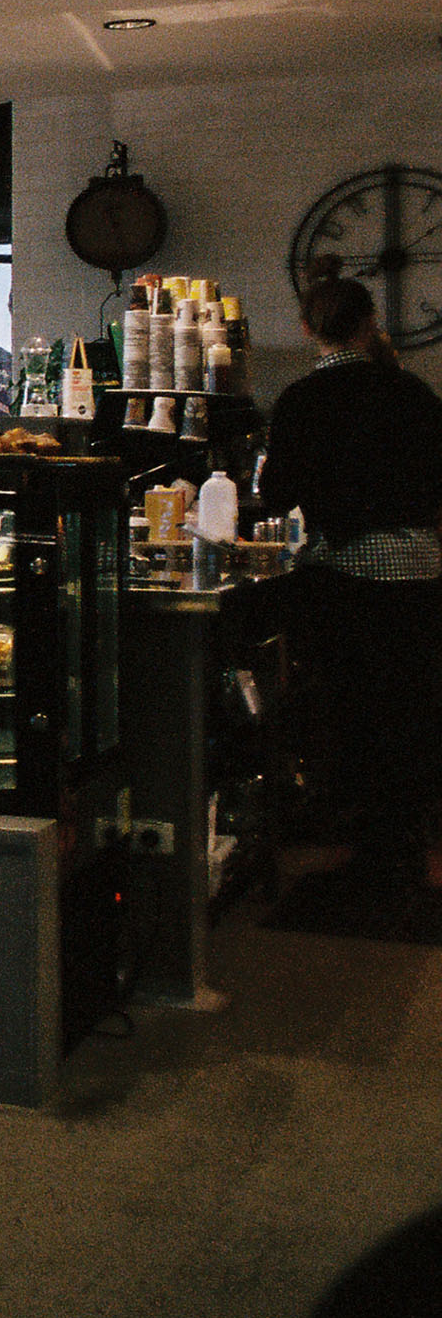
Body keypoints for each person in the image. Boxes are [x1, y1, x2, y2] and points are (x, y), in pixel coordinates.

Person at [258, 276, 442, 897]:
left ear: (308, 329)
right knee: (410, 711)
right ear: (370, 323)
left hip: (348, 576)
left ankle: (367, 850)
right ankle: (404, 846)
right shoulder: (413, 393)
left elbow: (276, 494)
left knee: (353, 712)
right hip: (420, 573)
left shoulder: (302, 399)